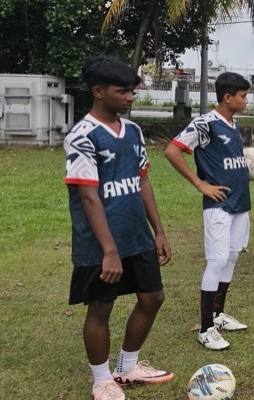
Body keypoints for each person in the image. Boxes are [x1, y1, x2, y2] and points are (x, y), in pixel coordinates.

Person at [65, 56, 174, 400]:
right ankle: (101, 380)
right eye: (122, 91)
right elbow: (89, 196)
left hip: (136, 235)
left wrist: (158, 230)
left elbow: (142, 182)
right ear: (98, 92)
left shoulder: (134, 131)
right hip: (99, 243)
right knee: (101, 306)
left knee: (153, 297)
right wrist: (108, 250)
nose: (130, 97)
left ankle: (127, 367)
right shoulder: (82, 135)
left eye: (132, 91)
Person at [164, 72, 254, 350]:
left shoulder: (233, 123)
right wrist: (200, 184)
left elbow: (239, 157)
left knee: (232, 257)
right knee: (216, 261)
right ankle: (205, 329)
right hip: (218, 205)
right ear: (228, 97)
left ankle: (218, 315)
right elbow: (172, 151)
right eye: (243, 96)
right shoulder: (205, 124)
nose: (246, 100)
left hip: (240, 202)